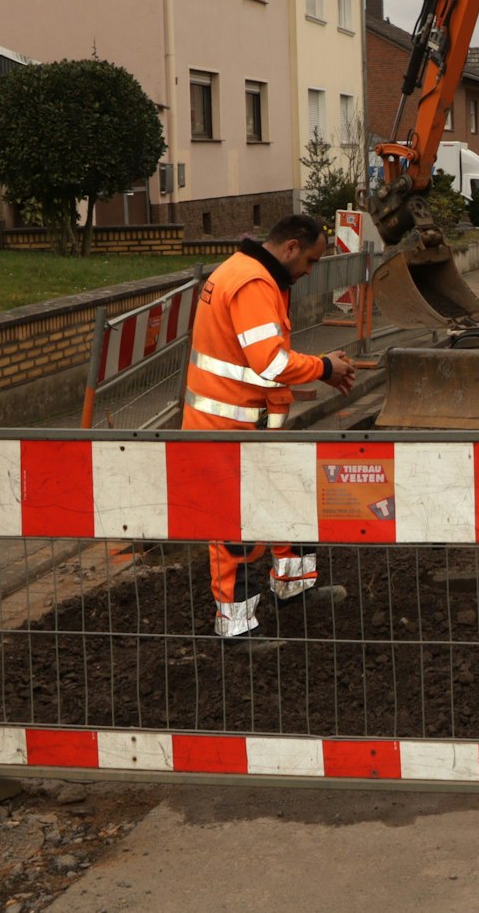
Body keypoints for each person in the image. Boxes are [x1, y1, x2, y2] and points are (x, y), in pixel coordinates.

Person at [182, 213, 359, 648]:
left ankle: (294, 587)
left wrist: (321, 368)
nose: (310, 271)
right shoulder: (253, 282)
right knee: (237, 529)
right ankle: (236, 626)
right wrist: (324, 367)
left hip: (246, 426)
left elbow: (261, 356)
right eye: (311, 261)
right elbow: (271, 362)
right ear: (291, 247)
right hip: (227, 430)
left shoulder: (248, 273)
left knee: (289, 500)